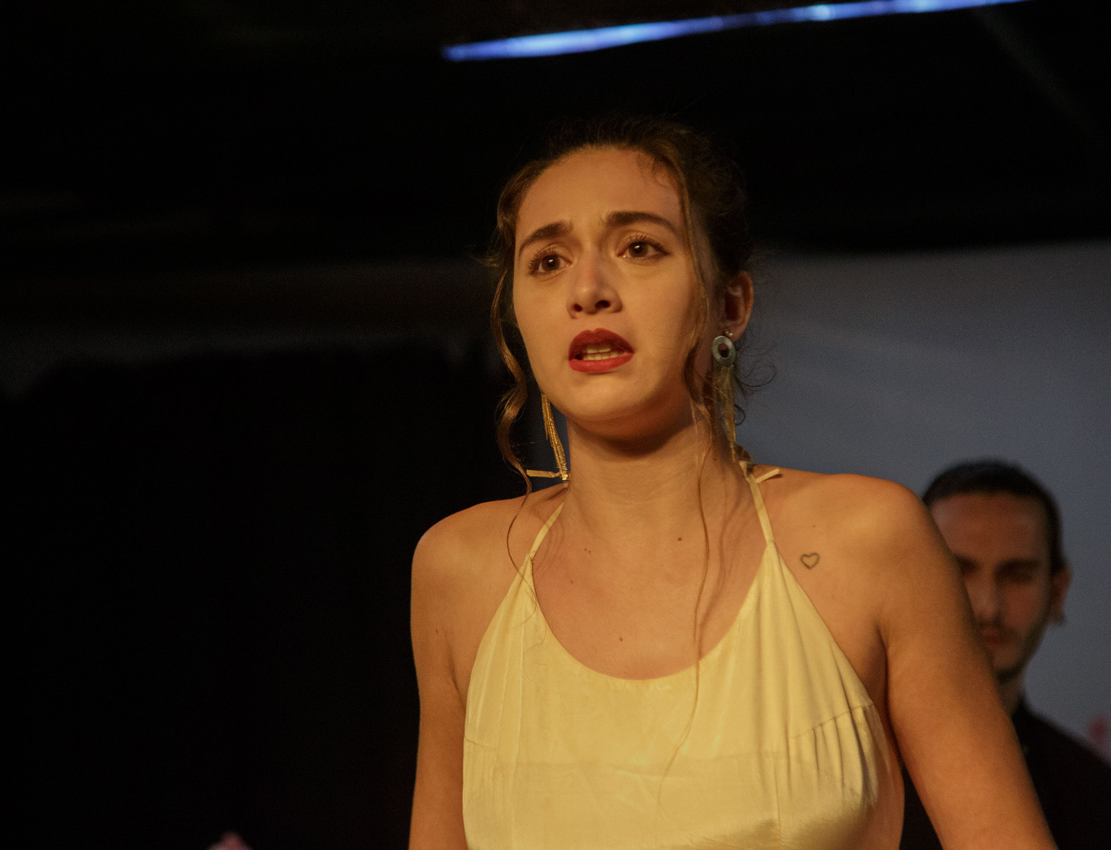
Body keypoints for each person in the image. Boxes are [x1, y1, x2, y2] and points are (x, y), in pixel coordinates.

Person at [408, 115, 1056, 849]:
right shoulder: (461, 570)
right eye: (548, 261)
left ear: (730, 304)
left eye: (639, 247)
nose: (587, 290)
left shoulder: (865, 541)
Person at [900, 460, 1111, 850]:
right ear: (910, 581)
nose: (988, 607)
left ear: (1056, 592)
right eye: (959, 571)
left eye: (1017, 576)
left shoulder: (1097, 796)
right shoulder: (844, 769)